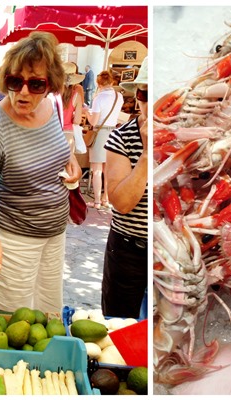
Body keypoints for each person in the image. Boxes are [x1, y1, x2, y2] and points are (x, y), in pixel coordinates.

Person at [0, 31, 82, 313]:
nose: (24, 92)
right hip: (14, 243)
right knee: (17, 326)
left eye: (36, 84)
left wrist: (72, 162)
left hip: (55, 235)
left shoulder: (51, 105)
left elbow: (56, 146)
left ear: (50, 85)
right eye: (15, 81)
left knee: (51, 315)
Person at [101, 58, 149, 318]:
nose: (149, 103)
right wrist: (146, 155)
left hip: (173, 255)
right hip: (129, 250)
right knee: (120, 325)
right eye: (145, 94)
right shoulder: (121, 137)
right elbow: (121, 202)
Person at [83, 71, 124, 210]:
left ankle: (97, 201)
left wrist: (86, 112)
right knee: (108, 169)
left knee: (96, 170)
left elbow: (93, 122)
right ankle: (106, 198)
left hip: (100, 133)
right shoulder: (120, 97)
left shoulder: (98, 99)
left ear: (98, 83)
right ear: (112, 82)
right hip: (114, 133)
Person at [61, 62, 85, 152]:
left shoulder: (51, 94)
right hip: (68, 134)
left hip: (52, 134)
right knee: (68, 165)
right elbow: (77, 121)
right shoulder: (76, 96)